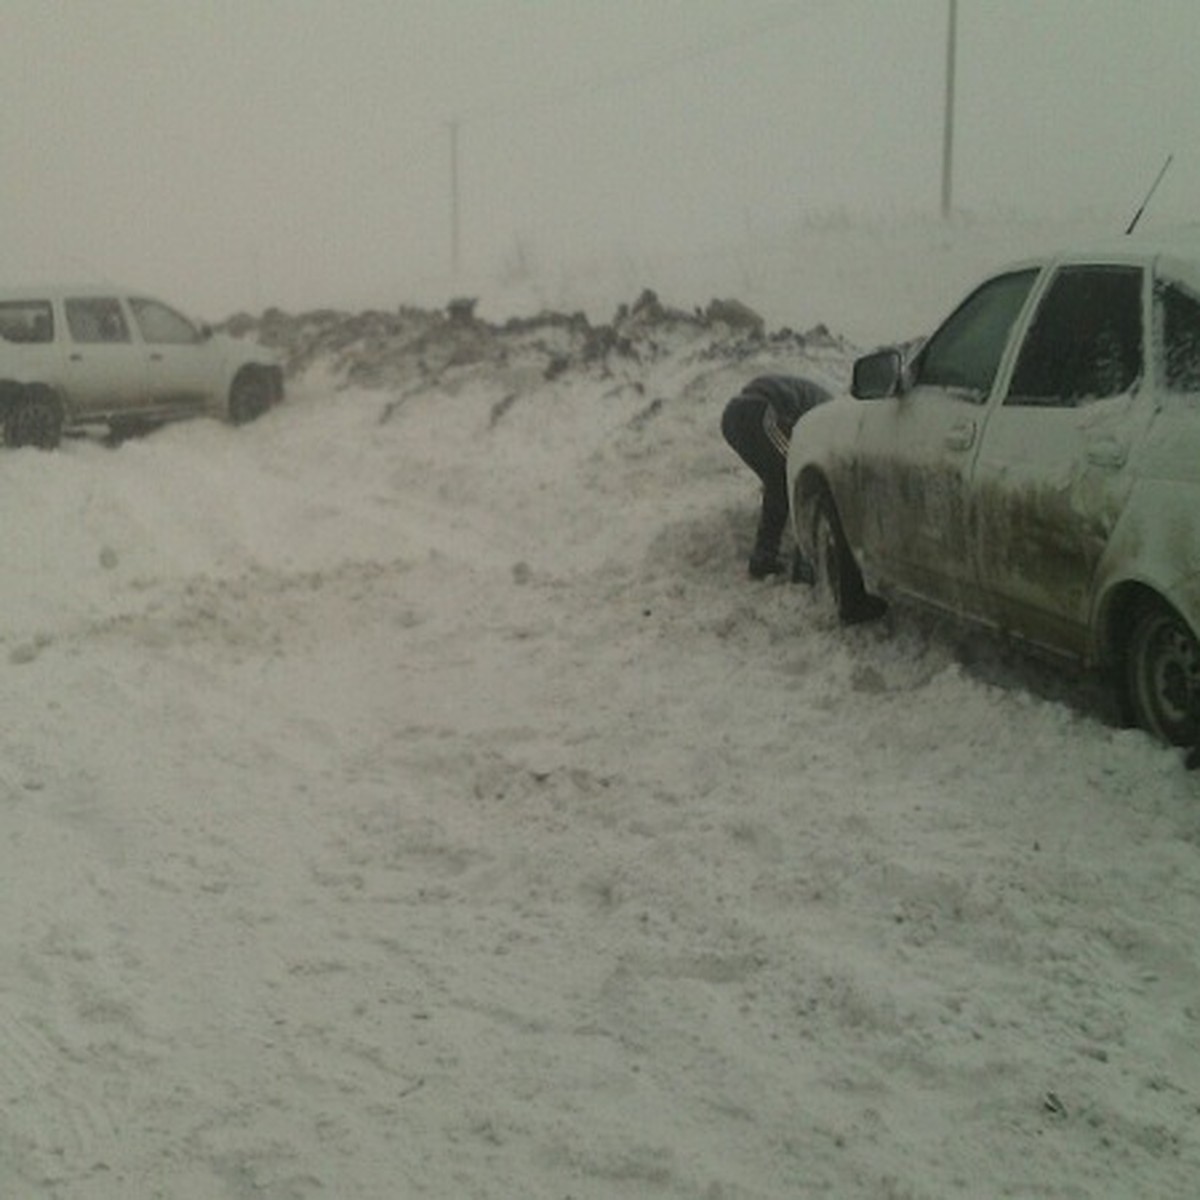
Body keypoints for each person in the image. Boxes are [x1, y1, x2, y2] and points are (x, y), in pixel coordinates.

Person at [721, 374, 831, 578]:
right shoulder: (830, 412)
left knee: (778, 484)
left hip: (733, 417)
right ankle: (803, 565)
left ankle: (764, 559)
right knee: (796, 481)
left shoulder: (820, 402)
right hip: (759, 408)